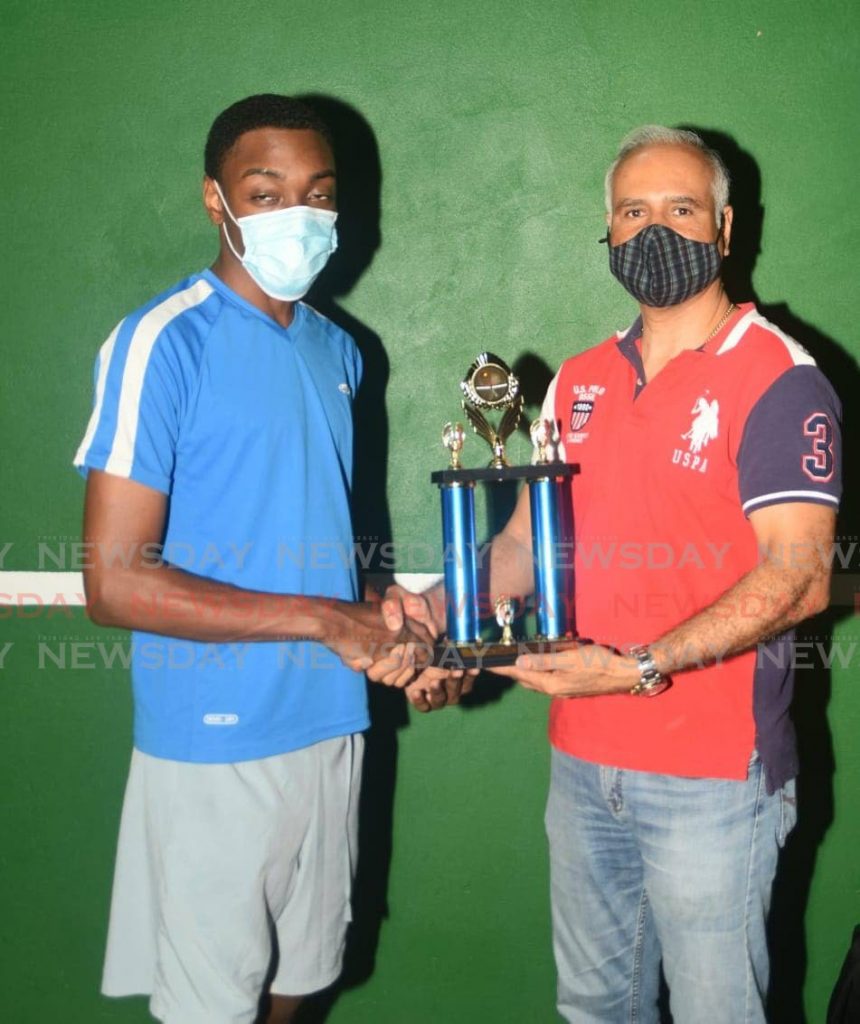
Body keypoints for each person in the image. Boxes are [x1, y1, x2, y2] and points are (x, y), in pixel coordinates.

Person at [391, 125, 842, 1022]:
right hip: (583, 762)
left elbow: (800, 579)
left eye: (680, 209)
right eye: (632, 213)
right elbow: (524, 547)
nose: (655, 232)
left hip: (717, 777)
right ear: (606, 230)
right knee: (596, 1009)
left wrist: (638, 666)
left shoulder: (780, 378)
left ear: (725, 226)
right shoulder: (577, 382)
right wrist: (434, 618)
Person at [73, 93, 441, 1024]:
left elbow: (326, 545)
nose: (299, 213)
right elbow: (113, 582)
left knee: (303, 983)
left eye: (318, 193)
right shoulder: (163, 342)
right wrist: (331, 621)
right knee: (211, 1005)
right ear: (216, 199)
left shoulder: (341, 351)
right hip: (215, 737)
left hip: (331, 719)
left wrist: (392, 622)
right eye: (266, 190)